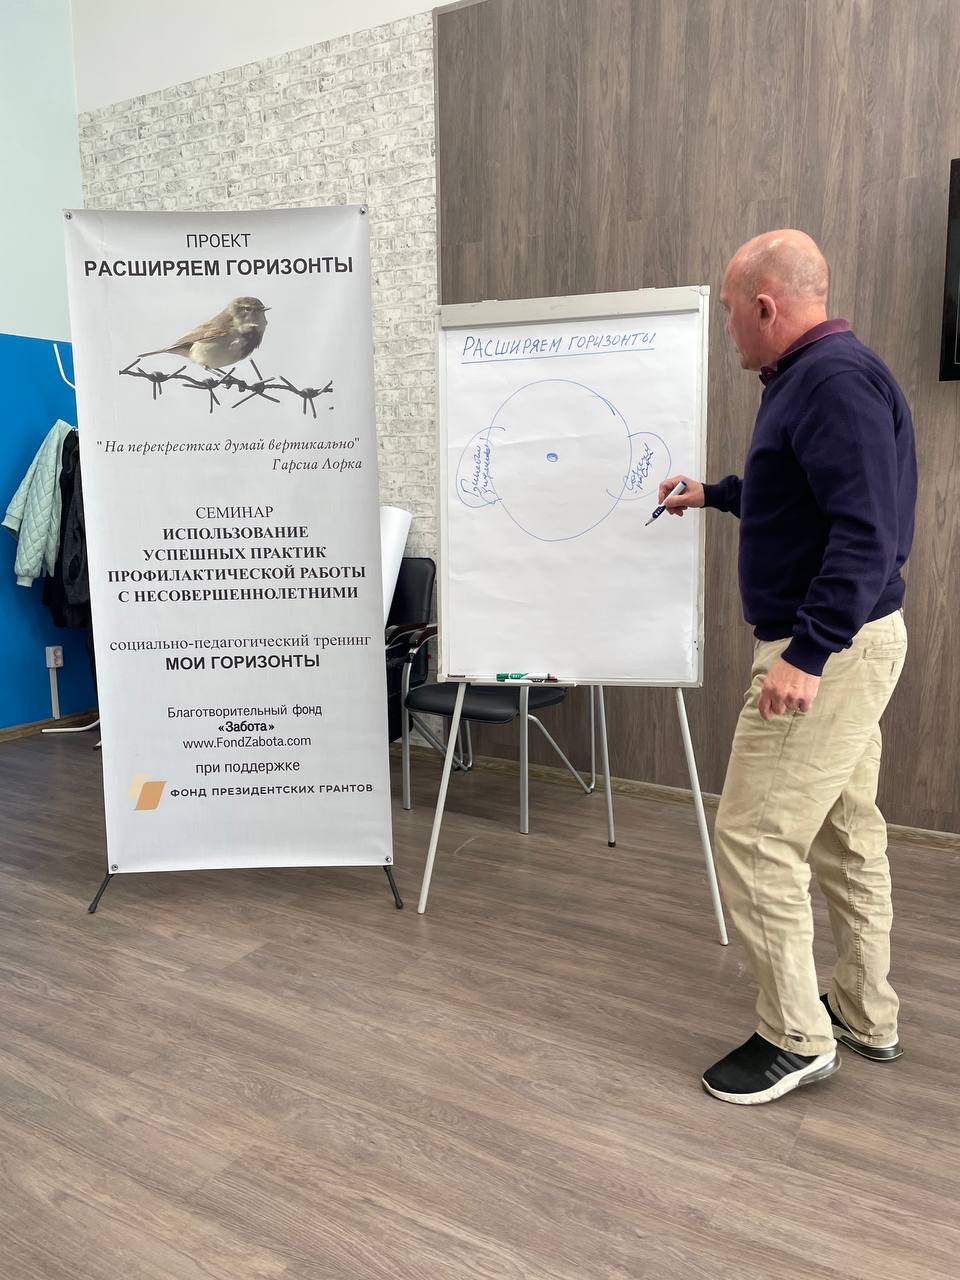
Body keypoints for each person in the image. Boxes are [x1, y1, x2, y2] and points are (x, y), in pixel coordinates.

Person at [659, 229, 917, 1105]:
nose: (729, 328)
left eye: (731, 312)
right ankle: (864, 1012)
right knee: (844, 831)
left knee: (754, 837)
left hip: (828, 649)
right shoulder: (815, 377)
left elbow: (867, 534)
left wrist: (807, 654)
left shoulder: (832, 381)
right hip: (849, 643)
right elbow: (801, 496)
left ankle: (794, 1035)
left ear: (765, 306)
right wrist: (716, 493)